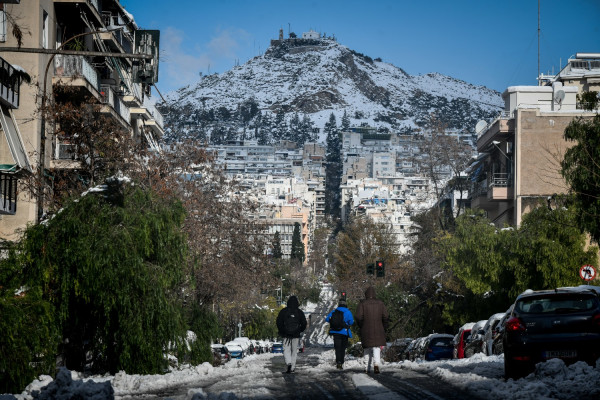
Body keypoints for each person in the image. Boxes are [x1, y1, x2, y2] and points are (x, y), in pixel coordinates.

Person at [355, 286, 389, 374]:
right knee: (376, 348)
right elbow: (385, 316)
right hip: (378, 329)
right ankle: (376, 365)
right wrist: (383, 326)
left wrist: (361, 325)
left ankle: (366, 367)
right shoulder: (380, 303)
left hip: (366, 329)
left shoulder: (362, 304)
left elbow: (358, 317)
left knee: (366, 348)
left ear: (366, 294)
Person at [276, 295, 307, 373]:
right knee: (294, 351)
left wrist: (282, 330)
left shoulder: (283, 311)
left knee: (286, 349)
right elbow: (304, 323)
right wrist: (300, 330)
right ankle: (292, 367)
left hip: (286, 334)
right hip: (296, 334)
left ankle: (288, 363)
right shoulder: (299, 312)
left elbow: (279, 322)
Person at [326, 298, 354, 369]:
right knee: (343, 348)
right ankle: (342, 361)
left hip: (335, 332)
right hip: (344, 332)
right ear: (345, 304)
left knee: (337, 348)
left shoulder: (334, 311)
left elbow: (327, 319)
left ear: (339, 304)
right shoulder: (347, 311)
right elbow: (351, 322)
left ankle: (338, 362)